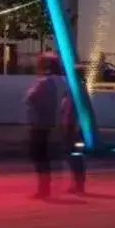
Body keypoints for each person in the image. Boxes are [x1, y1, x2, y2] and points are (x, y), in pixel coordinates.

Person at [24, 54, 66, 200]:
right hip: (53, 122)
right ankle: (47, 186)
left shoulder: (43, 82)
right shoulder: (61, 81)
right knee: (48, 155)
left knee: (39, 155)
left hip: (40, 122)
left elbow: (30, 97)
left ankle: (44, 187)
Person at [59, 81, 87, 196]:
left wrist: (68, 128)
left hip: (74, 130)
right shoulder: (75, 94)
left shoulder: (75, 96)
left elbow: (69, 114)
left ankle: (78, 184)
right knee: (75, 157)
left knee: (75, 157)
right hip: (74, 129)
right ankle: (77, 183)